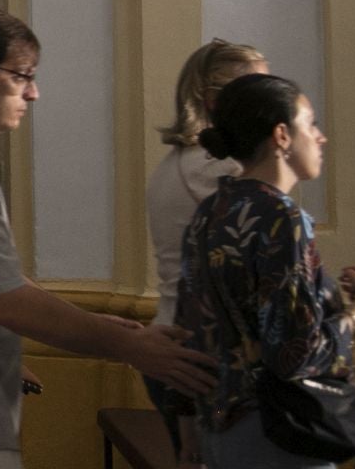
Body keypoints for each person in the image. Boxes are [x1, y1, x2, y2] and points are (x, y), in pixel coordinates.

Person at [0, 7, 217, 468]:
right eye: (22, 76)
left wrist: (93, 323)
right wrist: (127, 345)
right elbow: (5, 300)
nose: (33, 93)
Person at [177, 74, 355, 468]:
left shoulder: (209, 213)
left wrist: (187, 428)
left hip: (218, 426)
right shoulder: (282, 218)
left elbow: (190, 329)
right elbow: (293, 355)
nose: (320, 137)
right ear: (282, 135)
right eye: (311, 124)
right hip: (278, 433)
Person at [143, 39, 268, 451]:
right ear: (213, 101)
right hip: (200, 354)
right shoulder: (219, 169)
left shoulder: (187, 161)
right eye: (258, 90)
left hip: (178, 342)